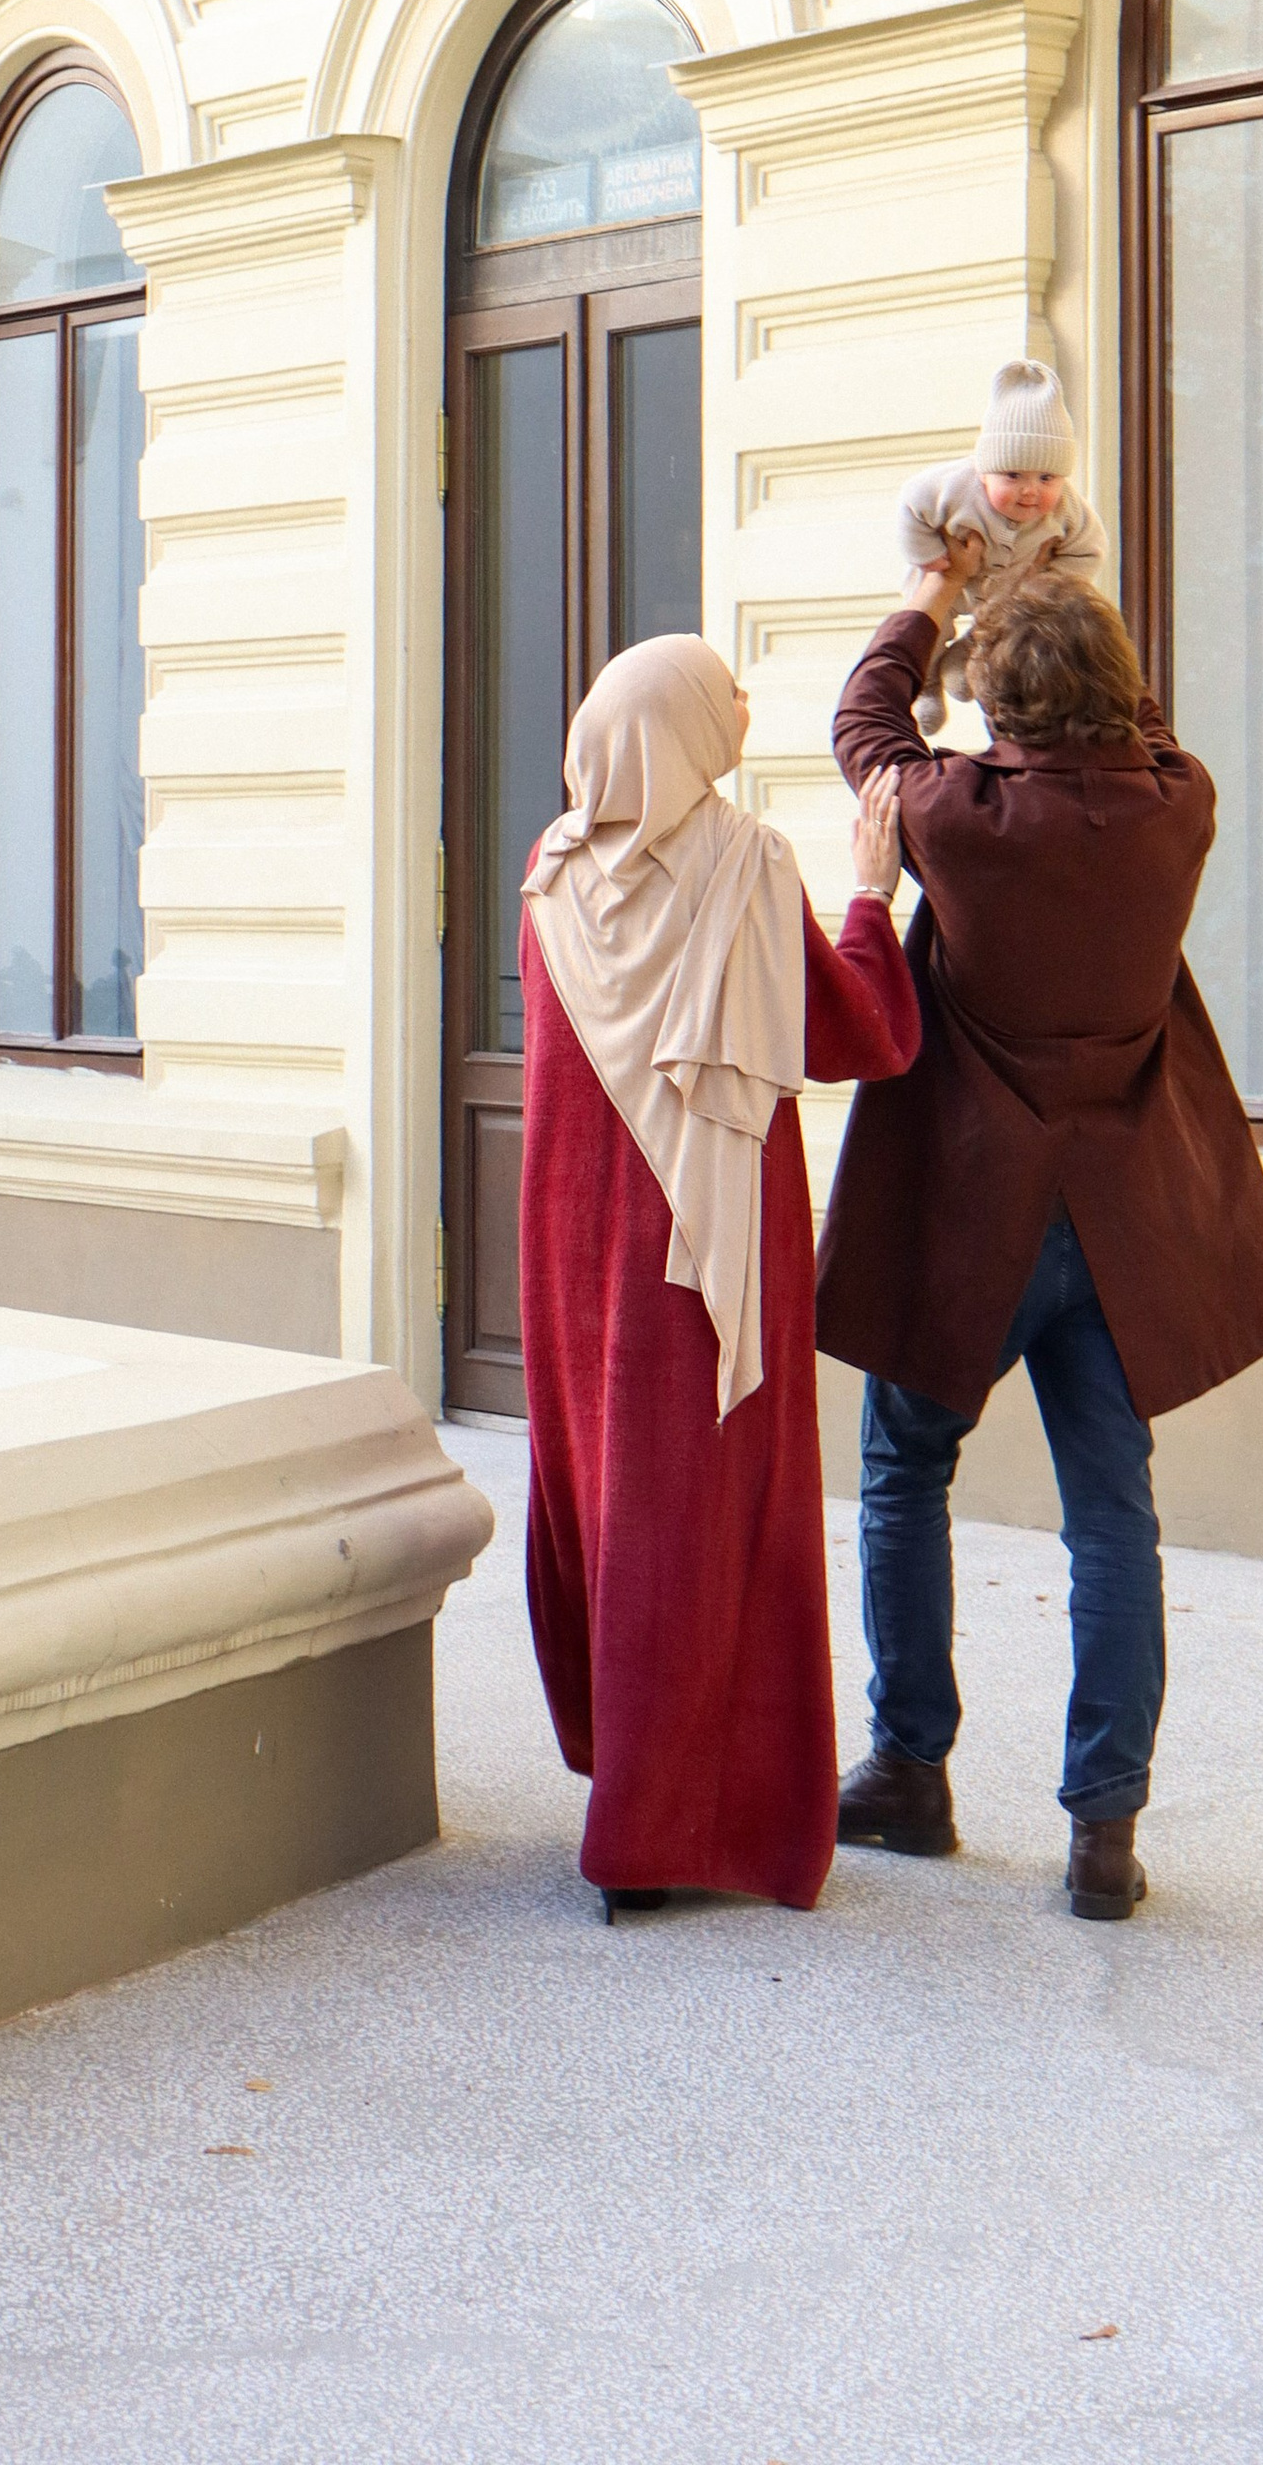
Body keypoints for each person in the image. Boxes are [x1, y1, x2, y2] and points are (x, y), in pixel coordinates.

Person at [816, 548, 1263, 1920]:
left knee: (908, 1471)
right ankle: (1105, 1835)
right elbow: (1145, 730)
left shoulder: (950, 813)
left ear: (994, 709)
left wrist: (929, 595)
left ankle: (911, 1772)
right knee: (1112, 1517)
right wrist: (1063, 578)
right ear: (1121, 691)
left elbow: (864, 720)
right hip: (1120, 1222)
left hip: (970, 1210)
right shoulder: (1178, 809)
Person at [518, 635, 919, 1920]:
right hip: (709, 1251)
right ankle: (681, 1827)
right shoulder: (746, 866)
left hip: (572, 1254)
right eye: (721, 691)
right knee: (709, 1524)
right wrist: (875, 895)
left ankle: (625, 1788)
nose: (742, 704)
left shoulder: (548, 875)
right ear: (684, 731)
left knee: (610, 1506)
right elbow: (858, 1031)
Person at [895, 357, 1111, 738]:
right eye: (1013, 476)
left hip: (1010, 588)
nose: (1031, 490)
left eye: (1047, 478)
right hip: (947, 574)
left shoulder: (1068, 509)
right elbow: (911, 505)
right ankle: (927, 685)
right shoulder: (953, 487)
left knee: (1006, 631)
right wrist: (928, 555)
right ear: (984, 470)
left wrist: (1049, 580)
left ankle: (966, 657)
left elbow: (1089, 550)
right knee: (927, 626)